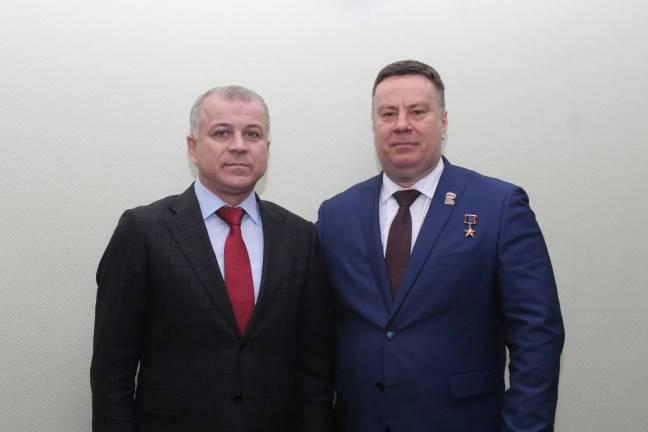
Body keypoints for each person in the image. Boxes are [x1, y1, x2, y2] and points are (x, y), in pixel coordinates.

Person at [317, 60, 565, 431]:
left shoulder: (498, 207)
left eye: (417, 112)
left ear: (443, 123)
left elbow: (537, 335)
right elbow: (318, 335)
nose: (402, 124)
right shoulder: (336, 216)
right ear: (374, 125)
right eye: (388, 113)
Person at [91, 85, 333, 432]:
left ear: (266, 148)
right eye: (222, 133)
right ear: (193, 147)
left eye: (253, 134)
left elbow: (316, 369)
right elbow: (111, 370)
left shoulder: (300, 237)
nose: (239, 145)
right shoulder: (143, 231)